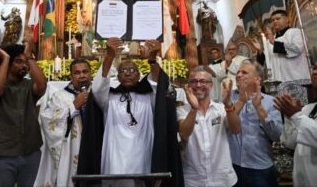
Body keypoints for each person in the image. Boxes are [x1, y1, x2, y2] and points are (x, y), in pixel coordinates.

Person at [77, 37, 184, 187]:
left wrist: (152, 58)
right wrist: (109, 56)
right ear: (118, 77)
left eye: (132, 70)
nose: (127, 73)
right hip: (115, 158)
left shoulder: (149, 96)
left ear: (139, 75)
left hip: (143, 156)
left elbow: (159, 85)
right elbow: (98, 87)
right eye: (123, 71)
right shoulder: (109, 98)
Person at [0, 35, 47, 187]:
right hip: (3, 154)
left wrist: (29, 57)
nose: (24, 66)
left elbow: (42, 87)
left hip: (30, 152)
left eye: (25, 63)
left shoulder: (28, 85)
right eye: (19, 62)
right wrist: (5, 59)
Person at [177, 66, 240, 186]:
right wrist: (194, 109)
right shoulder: (181, 110)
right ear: (188, 86)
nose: (198, 85)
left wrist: (228, 104)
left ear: (211, 85)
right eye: (194, 81)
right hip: (193, 181)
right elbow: (184, 134)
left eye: (203, 81)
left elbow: (236, 129)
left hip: (223, 180)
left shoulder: (221, 109)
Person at [34, 58, 92, 187]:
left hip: (93, 147)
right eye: (77, 73)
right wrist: (73, 107)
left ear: (90, 73)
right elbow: (47, 119)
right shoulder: (60, 96)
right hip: (71, 149)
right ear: (71, 76)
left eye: (85, 71)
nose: (82, 76)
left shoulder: (98, 93)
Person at [228, 60, 283, 187]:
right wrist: (240, 102)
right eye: (237, 72)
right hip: (232, 165)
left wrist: (259, 108)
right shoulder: (228, 98)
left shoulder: (270, 101)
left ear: (257, 79)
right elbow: (224, 127)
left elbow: (277, 135)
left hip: (260, 167)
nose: (238, 75)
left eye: (244, 72)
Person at [274, 66, 317, 187]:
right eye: (314, 68)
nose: (314, 72)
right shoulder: (307, 108)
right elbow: (289, 143)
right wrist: (289, 118)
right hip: (302, 178)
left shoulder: (300, 113)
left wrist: (296, 116)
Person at [254, 9, 310, 81]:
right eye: (272, 20)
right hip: (278, 82)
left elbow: (297, 49)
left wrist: (274, 42)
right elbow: (263, 62)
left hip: (297, 79)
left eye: (278, 19)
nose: (275, 21)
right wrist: (260, 51)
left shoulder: (295, 32)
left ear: (287, 19)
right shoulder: (270, 40)